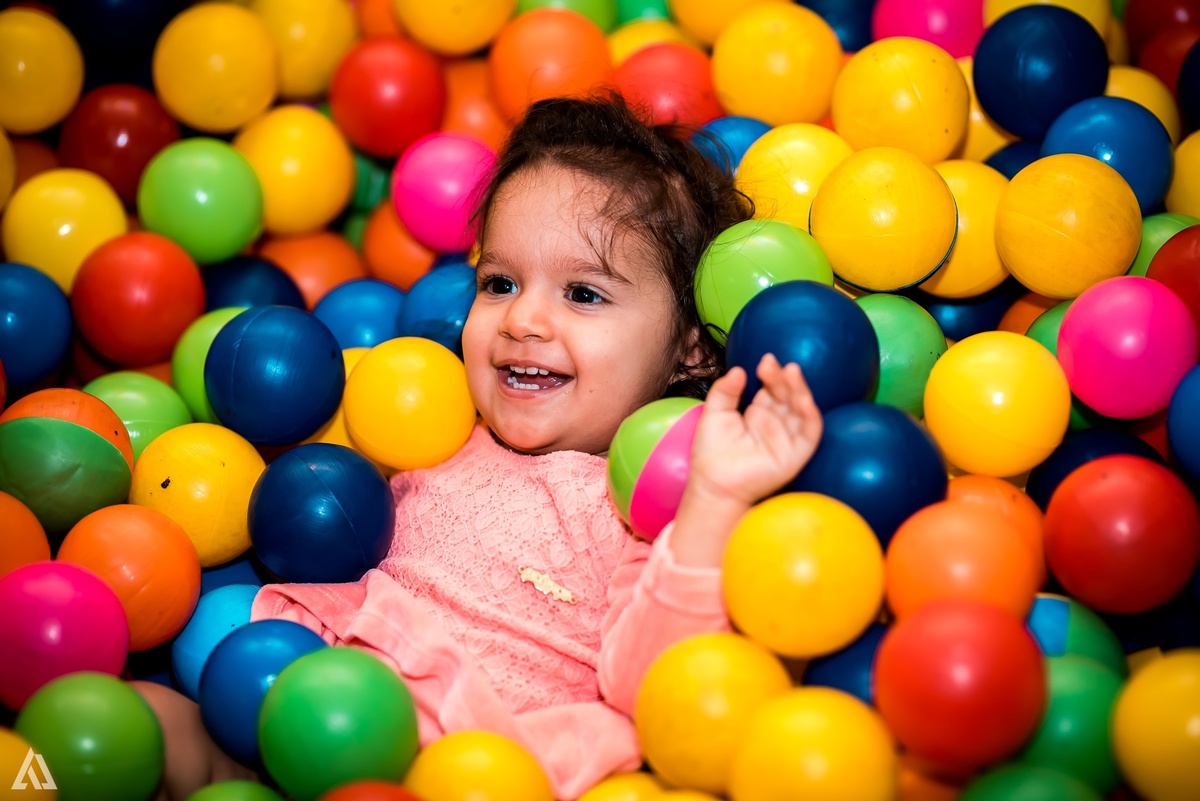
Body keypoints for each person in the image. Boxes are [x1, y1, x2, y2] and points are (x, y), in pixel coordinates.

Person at [139, 93, 823, 801]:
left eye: (583, 294)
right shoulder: (437, 423)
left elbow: (659, 683)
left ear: (688, 348)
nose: (524, 318)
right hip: (305, 699)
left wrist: (713, 502)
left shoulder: (644, 505)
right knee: (141, 725)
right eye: (499, 282)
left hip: (470, 762)